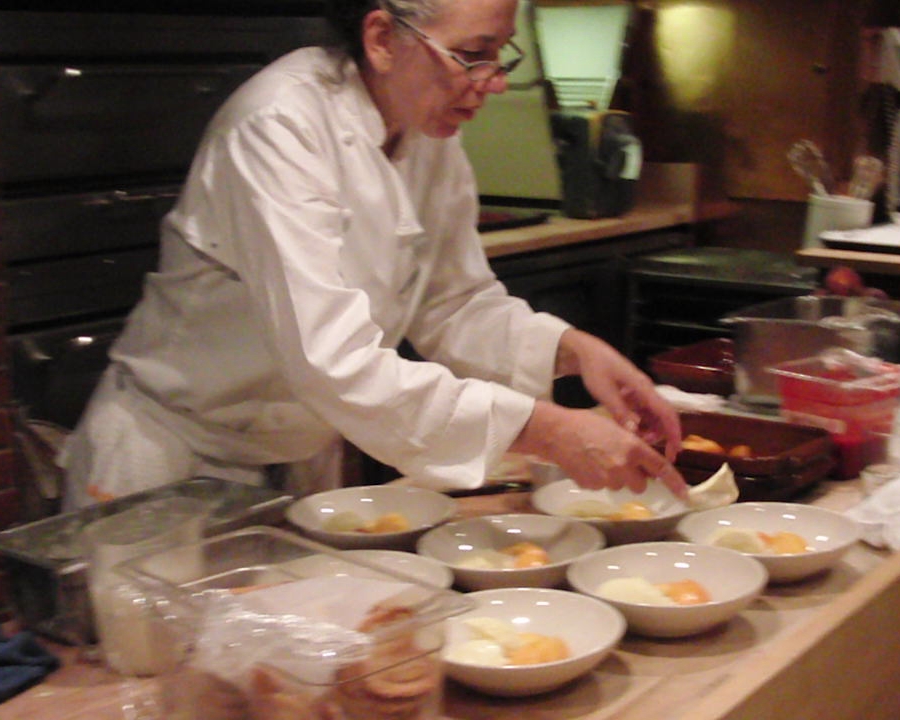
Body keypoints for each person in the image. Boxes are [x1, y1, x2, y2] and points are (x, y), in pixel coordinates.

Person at [58, 0, 686, 510]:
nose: (492, 83)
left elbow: (454, 302)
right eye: (471, 56)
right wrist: (546, 429)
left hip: (301, 459)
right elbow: (332, 360)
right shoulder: (278, 126)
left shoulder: (429, 137)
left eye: (500, 56)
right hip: (172, 461)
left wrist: (575, 352)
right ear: (382, 37)